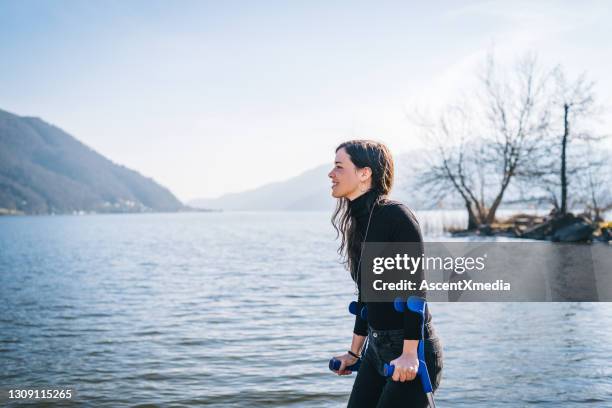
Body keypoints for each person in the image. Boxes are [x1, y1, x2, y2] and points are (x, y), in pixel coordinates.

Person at [328, 140, 443, 407]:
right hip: (376, 349)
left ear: (364, 173)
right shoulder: (359, 222)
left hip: (411, 349)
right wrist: (354, 353)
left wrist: (410, 354)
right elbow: (366, 297)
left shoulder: (395, 216)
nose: (331, 174)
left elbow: (416, 290)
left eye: (338, 167)